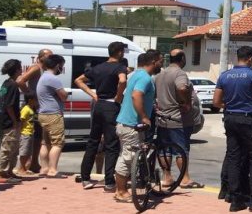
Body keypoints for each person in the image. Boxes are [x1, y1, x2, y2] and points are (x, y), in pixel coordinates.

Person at [212, 46, 252, 212]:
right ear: (251, 59)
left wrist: (230, 105)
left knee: (233, 158)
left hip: (230, 118)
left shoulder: (225, 75)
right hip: (249, 120)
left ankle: (235, 199)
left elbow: (216, 102)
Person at [74, 41, 128, 191]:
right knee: (111, 144)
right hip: (111, 105)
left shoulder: (98, 68)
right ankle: (109, 181)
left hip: (98, 105)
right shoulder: (120, 67)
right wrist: (118, 96)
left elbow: (78, 80)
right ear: (119, 52)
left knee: (93, 141)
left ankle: (85, 177)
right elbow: (123, 80)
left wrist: (93, 94)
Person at [112, 50, 161, 203]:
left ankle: (121, 190)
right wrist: (145, 117)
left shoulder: (136, 75)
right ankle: (121, 191)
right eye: (160, 61)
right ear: (153, 61)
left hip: (127, 123)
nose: (161, 64)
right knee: (128, 158)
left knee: (128, 156)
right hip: (131, 125)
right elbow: (136, 95)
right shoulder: (144, 78)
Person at [154, 48, 202, 190]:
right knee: (181, 150)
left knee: (165, 150)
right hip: (178, 119)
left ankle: (167, 177)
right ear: (182, 59)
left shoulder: (160, 74)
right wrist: (186, 103)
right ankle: (185, 178)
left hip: (163, 119)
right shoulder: (179, 73)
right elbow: (182, 88)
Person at [16, 47, 52, 173]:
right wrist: (31, 97)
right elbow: (20, 81)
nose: (51, 59)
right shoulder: (36, 68)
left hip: (40, 107)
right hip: (32, 107)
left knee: (38, 136)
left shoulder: (46, 70)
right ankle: (22, 166)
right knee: (28, 136)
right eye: (49, 56)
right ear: (41, 58)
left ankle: (34, 163)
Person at [36, 54, 68, 177]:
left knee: (45, 143)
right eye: (61, 66)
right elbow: (63, 95)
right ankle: (52, 170)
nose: (62, 68)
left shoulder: (43, 76)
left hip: (43, 113)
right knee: (58, 143)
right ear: (57, 65)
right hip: (53, 114)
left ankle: (44, 168)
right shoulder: (53, 78)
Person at [0, 59, 24, 184]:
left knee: (13, 147)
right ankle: (3, 172)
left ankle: (9, 171)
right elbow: (9, 105)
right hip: (9, 121)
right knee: (8, 147)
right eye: (20, 68)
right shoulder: (13, 85)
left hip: (4, 119)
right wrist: (15, 121)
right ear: (17, 70)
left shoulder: (7, 83)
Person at [17, 95, 38, 176]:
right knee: (24, 151)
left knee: (28, 152)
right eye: (35, 100)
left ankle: (25, 168)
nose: (36, 101)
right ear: (30, 100)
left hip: (30, 132)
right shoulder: (25, 109)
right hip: (25, 133)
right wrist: (20, 132)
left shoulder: (31, 109)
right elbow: (21, 120)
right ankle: (21, 168)